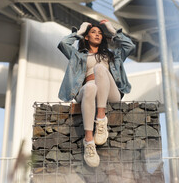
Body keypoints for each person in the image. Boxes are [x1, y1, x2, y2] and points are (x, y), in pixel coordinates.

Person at [57, 19, 135, 167]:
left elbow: (129, 46)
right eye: (93, 32)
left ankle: (100, 119)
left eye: (100, 33)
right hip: (87, 92)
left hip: (110, 93)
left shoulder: (112, 56)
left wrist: (112, 30)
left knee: (100, 68)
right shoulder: (79, 56)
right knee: (91, 87)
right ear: (87, 37)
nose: (98, 35)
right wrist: (80, 31)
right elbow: (63, 44)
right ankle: (89, 141)